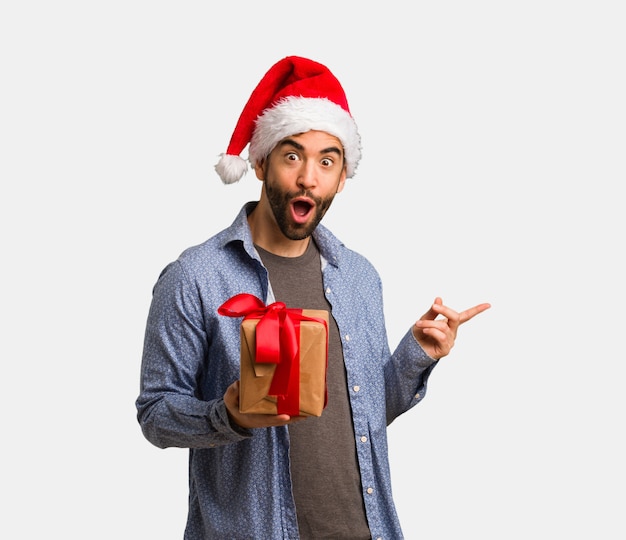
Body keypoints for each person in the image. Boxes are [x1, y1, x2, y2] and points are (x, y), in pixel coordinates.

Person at [136, 55, 490, 540]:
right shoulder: (195, 276)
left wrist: (415, 357)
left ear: (343, 177)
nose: (309, 178)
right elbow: (156, 414)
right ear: (260, 163)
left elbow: (359, 416)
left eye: (327, 160)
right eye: (292, 156)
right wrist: (230, 415)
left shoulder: (359, 277)